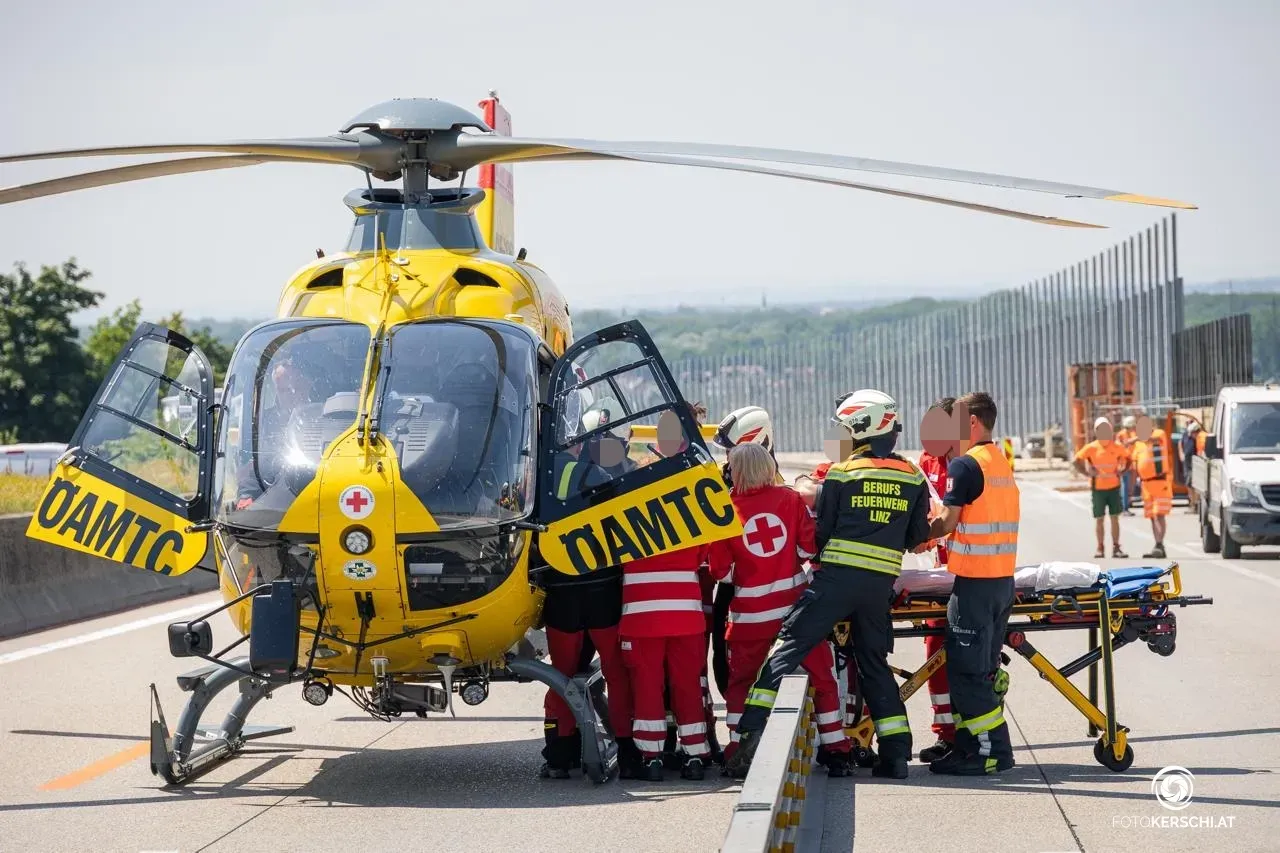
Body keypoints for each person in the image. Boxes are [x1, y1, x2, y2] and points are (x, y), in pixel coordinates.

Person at [726, 389, 930, 781]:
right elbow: (916, 537)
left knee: (790, 646)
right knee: (873, 665)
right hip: (878, 588)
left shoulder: (843, 472)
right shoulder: (913, 475)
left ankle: (750, 729)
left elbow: (821, 535)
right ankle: (896, 756)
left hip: (835, 582)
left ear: (858, 429)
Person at [708, 443, 853, 777]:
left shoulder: (725, 509)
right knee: (823, 678)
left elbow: (720, 572)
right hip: (795, 614)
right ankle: (837, 750)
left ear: (736, 471)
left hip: (750, 619)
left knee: (741, 685)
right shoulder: (789, 499)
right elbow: (808, 548)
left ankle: (737, 748)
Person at [538, 386, 641, 780]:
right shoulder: (594, 474)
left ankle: (558, 756)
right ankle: (628, 751)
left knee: (560, 677)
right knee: (616, 671)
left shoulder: (538, 477)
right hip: (601, 591)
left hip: (561, 594)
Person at [926, 391, 1020, 776]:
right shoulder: (999, 461)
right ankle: (968, 747)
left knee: (967, 673)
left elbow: (947, 522)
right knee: (979, 671)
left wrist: (915, 532)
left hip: (974, 586)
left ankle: (993, 751)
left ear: (971, 423)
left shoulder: (965, 466)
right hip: (1001, 583)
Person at [708, 405, 782, 698]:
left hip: (756, 591)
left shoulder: (779, 490)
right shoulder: (718, 483)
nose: (726, 459)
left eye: (731, 452)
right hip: (732, 589)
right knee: (723, 661)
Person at [915, 396, 959, 764]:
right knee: (935, 651)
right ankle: (946, 733)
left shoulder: (967, 463)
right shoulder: (926, 463)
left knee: (972, 661)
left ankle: (972, 735)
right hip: (940, 573)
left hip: (973, 573)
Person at [1072, 416, 1130, 559]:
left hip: (1114, 487)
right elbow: (1076, 461)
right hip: (1098, 488)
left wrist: (1122, 471)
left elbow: (1129, 459)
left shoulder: (1117, 447)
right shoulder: (1091, 448)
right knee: (1099, 519)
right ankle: (1100, 547)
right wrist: (1086, 473)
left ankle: (1116, 547)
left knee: (1114, 518)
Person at [1131, 416, 1173, 559]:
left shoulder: (1159, 435)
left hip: (1160, 482)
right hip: (1146, 485)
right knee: (1151, 516)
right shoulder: (1138, 445)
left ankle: (1160, 544)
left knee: (1159, 514)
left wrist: (1134, 439)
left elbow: (1152, 439)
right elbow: (1134, 462)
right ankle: (1157, 544)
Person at [1116, 415, 1138, 516]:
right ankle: (1124, 508)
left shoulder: (1130, 433)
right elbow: (1124, 444)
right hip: (1123, 464)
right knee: (1124, 486)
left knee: (1129, 486)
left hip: (1130, 463)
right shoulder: (1122, 434)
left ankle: (1126, 505)